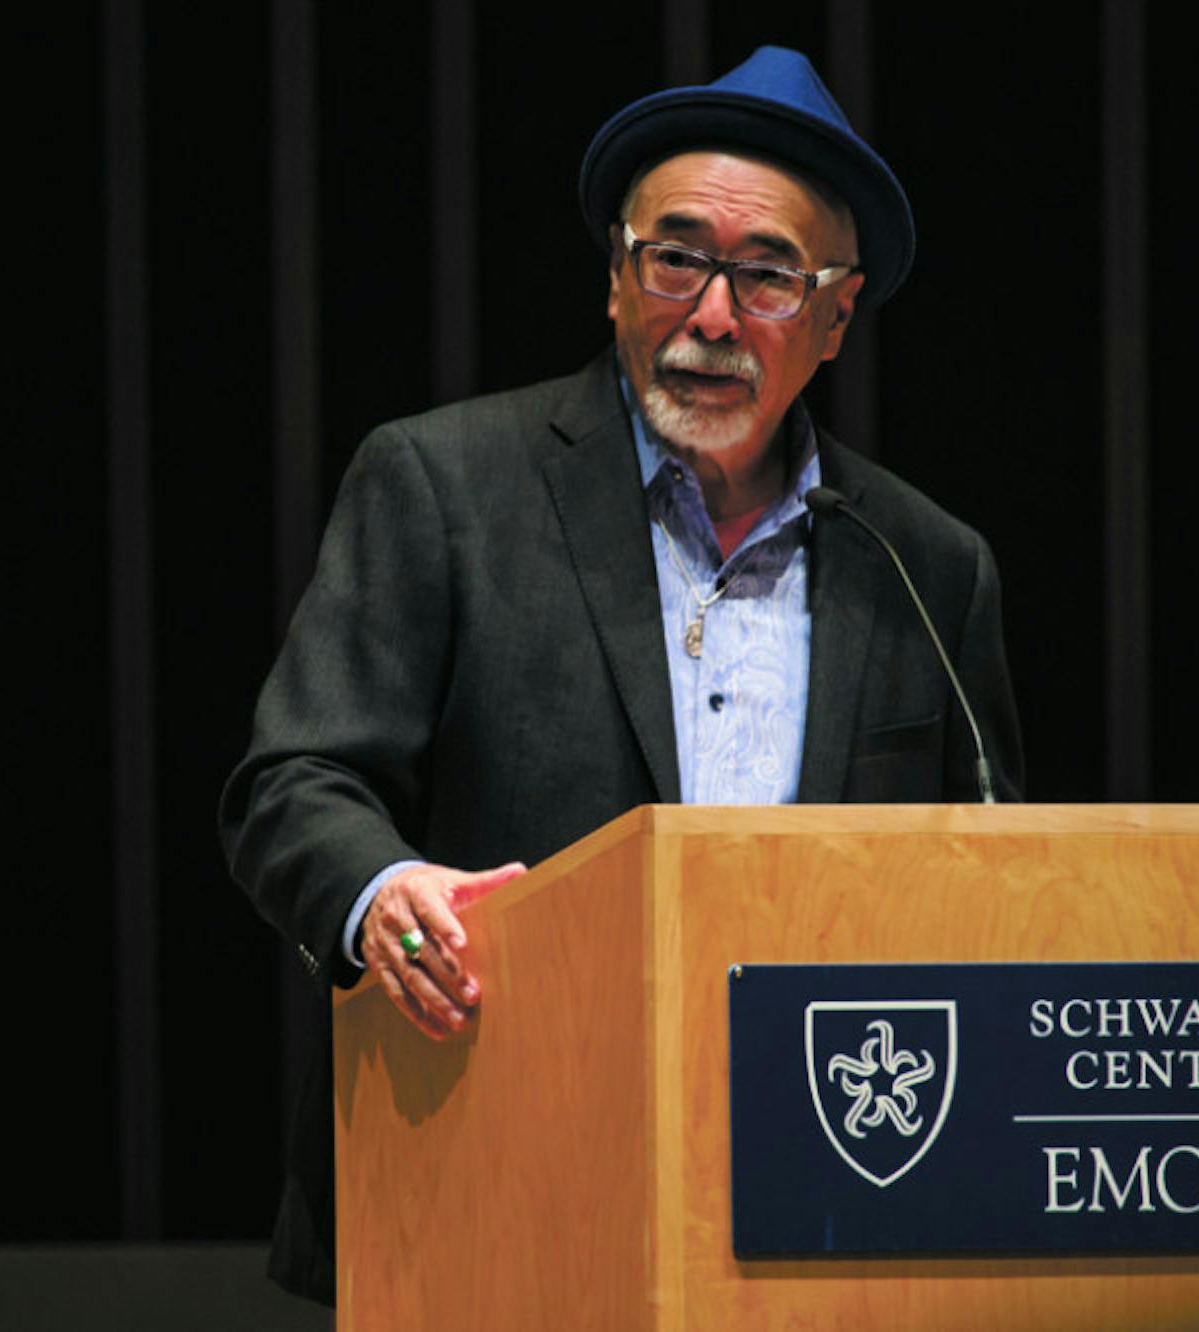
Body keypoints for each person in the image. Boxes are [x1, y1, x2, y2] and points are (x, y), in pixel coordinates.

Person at [220, 45, 1023, 1304]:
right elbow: (292, 780)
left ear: (833, 316)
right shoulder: (445, 487)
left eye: (765, 276)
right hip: (484, 1183)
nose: (710, 316)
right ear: (614, 277)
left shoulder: (924, 564)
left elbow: (991, 880)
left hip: (822, 1212)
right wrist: (379, 890)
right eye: (675, 258)